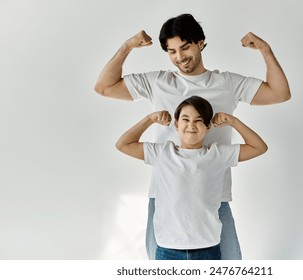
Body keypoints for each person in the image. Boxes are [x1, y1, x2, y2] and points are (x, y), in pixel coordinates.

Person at [94, 13, 290, 260]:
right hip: (166, 197)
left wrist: (265, 50)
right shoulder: (156, 82)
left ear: (200, 42)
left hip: (213, 196)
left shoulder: (226, 82)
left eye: (185, 48)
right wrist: (127, 46)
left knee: (229, 266)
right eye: (171, 51)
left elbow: (279, 94)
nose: (179, 57)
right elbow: (104, 87)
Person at [115, 96, 268, 260]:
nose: (191, 125)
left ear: (208, 126)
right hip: (168, 248)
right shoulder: (161, 153)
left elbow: (259, 147)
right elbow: (123, 144)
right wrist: (149, 119)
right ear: (176, 124)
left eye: (199, 120)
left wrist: (234, 122)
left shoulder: (218, 154)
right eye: (185, 119)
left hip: (207, 248)